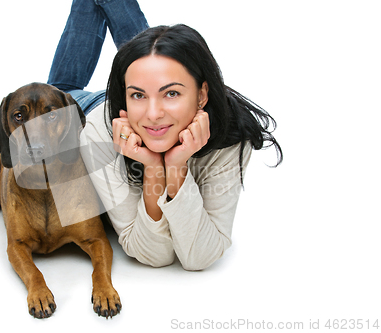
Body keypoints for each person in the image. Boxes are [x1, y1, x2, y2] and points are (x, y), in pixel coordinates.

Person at [48, 0, 282, 271]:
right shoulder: (99, 132)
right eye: (136, 94)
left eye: (172, 93)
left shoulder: (230, 136)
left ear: (202, 95)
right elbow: (150, 254)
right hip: (91, 109)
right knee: (60, 90)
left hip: (143, 104)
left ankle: (153, 88)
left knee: (155, 55)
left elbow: (199, 256)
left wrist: (176, 166)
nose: (154, 113)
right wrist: (154, 167)